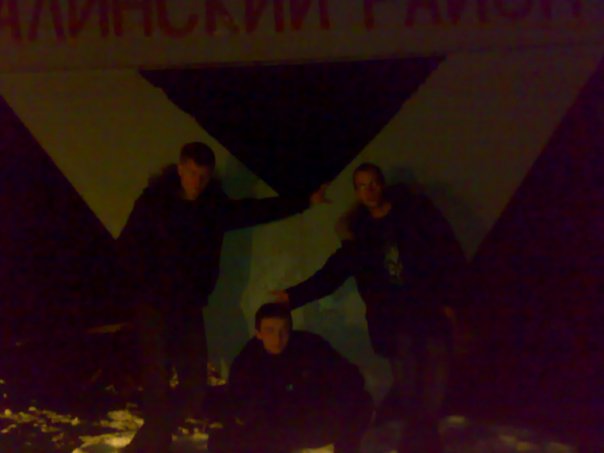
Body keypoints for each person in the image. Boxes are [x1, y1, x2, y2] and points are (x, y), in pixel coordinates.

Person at [117, 142, 329, 453]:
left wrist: (305, 201)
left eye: (203, 176)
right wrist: (143, 286)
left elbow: (256, 211)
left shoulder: (212, 208)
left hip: (188, 306)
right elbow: (127, 247)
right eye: (192, 173)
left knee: (194, 389)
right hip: (154, 305)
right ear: (180, 169)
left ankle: (153, 437)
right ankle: (151, 444)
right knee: (156, 380)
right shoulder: (154, 203)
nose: (197, 181)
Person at [273, 163, 466, 453]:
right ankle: (418, 434)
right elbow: (333, 273)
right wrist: (292, 296)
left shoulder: (414, 214)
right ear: (357, 192)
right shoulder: (360, 233)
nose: (369, 190)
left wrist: (450, 300)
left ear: (382, 184)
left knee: (437, 364)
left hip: (427, 305)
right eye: (362, 186)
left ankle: (424, 432)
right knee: (408, 376)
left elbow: (447, 252)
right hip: (393, 316)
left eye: (373, 183)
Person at [208, 302, 373, 453]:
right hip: (275, 429)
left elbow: (351, 377)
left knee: (362, 402)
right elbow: (241, 403)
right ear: (258, 333)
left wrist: (322, 396)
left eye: (283, 331)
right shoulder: (248, 360)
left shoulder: (309, 345)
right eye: (270, 331)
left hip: (312, 420)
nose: (277, 338)